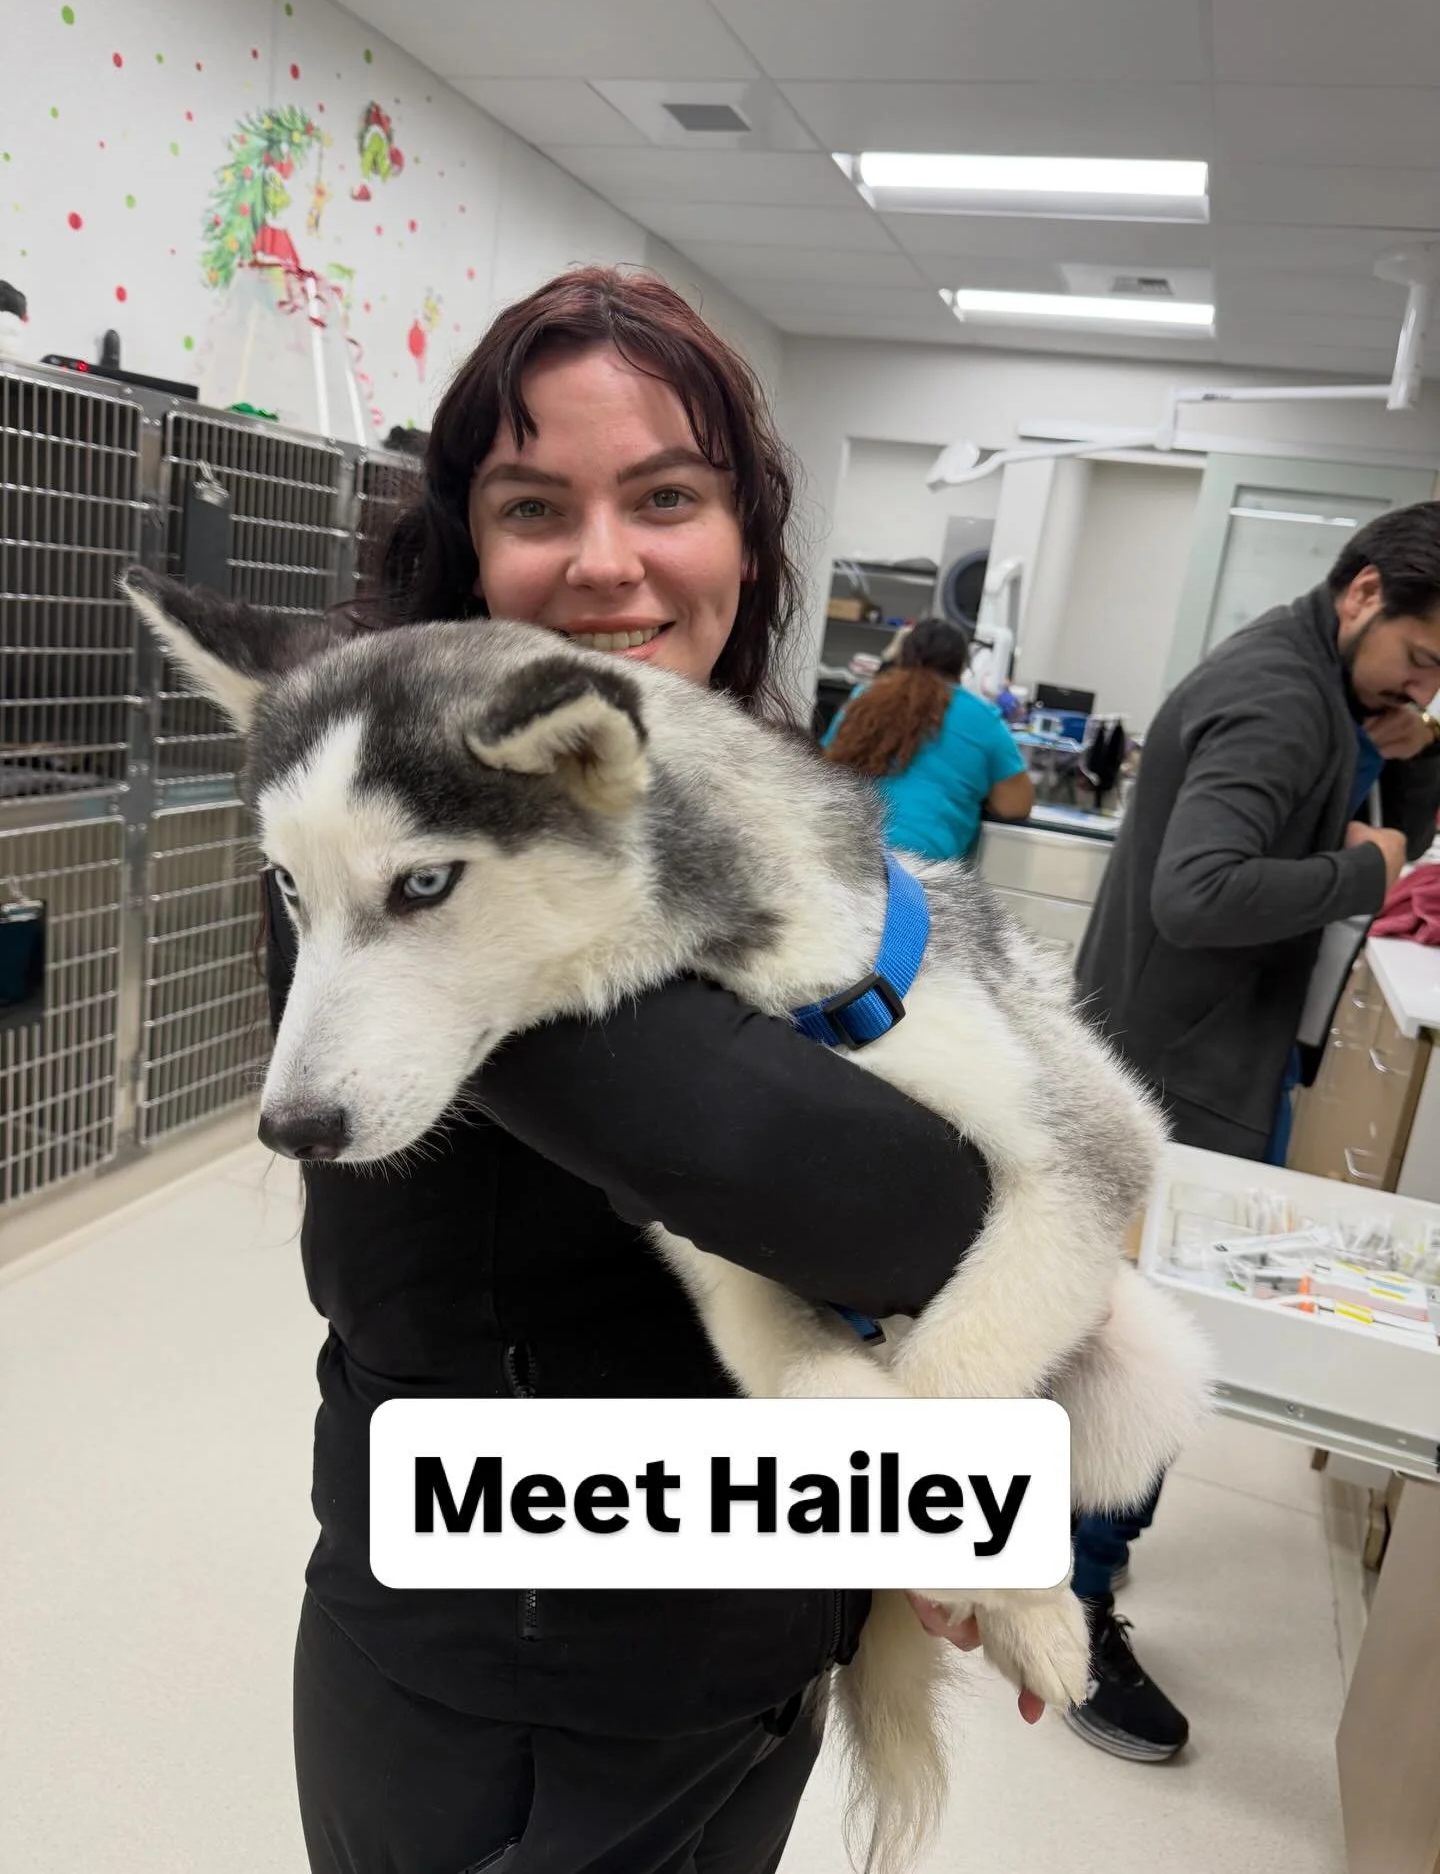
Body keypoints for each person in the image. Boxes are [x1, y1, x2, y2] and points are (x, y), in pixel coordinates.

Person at [271, 267, 1041, 1874]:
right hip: (540, 1663)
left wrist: (918, 1508)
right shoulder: (392, 825)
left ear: (745, 537)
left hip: (723, 1612)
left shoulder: (719, 790)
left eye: (667, 497)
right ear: (463, 547)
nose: (607, 561)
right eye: (535, 503)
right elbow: (894, 1209)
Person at [1065, 501, 1440, 1764]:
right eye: (1424, 660)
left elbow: (1392, 822)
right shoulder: (1281, 703)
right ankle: (1069, 1616)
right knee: (1147, 1363)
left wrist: (1409, 746)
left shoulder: (1323, 690)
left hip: (1193, 1062)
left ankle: (1061, 1573)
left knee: (1118, 1347)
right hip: (1173, 1081)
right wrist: (1368, 870)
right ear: (1364, 592)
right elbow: (1201, 892)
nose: (1424, 686)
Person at [822, 617, 1034, 860]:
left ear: (904, 655)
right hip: (921, 866)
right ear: (962, 666)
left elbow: (826, 766)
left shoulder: (864, 697)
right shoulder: (983, 719)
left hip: (843, 852)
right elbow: (1016, 805)